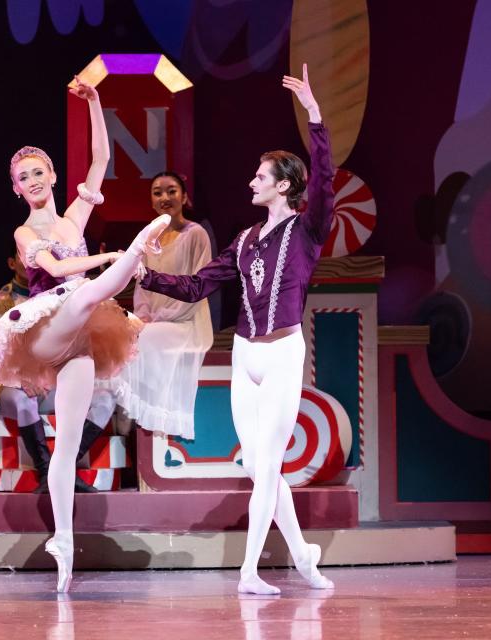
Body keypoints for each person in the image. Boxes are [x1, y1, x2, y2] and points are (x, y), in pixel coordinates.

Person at [135, 64, 335, 595]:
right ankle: (305, 560)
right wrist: (143, 273)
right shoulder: (244, 240)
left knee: (268, 464)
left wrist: (314, 116)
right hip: (245, 356)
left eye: (261, 176)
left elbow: (325, 176)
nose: (251, 181)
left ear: (285, 185)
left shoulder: (308, 229)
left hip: (283, 353)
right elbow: (198, 285)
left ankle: (248, 574)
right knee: (262, 468)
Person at [0, 76, 170, 593]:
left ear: (51, 174)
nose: (34, 179)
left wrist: (95, 104)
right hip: (48, 323)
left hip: (81, 341)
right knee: (87, 291)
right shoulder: (27, 233)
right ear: (16, 188)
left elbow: (101, 160)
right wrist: (112, 257)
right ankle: (134, 251)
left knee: (66, 443)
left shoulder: (74, 217)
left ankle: (63, 540)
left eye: (39, 171)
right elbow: (58, 271)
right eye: (24, 176)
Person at [0, 247, 116, 494]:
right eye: (24, 257)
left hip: (53, 384)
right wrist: (22, 379)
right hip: (14, 387)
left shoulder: (56, 296)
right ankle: (46, 472)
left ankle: (64, 468)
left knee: (105, 397)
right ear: (13, 263)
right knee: (23, 400)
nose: (32, 262)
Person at [111, 172, 213, 439]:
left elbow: (198, 287)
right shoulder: (147, 239)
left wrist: (160, 318)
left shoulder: (195, 234)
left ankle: (133, 416)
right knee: (121, 339)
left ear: (185, 197)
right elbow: (142, 290)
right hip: (154, 323)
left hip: (187, 323)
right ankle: (122, 416)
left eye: (171, 191)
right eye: (158, 192)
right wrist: (141, 319)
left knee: (143, 340)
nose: (165, 198)